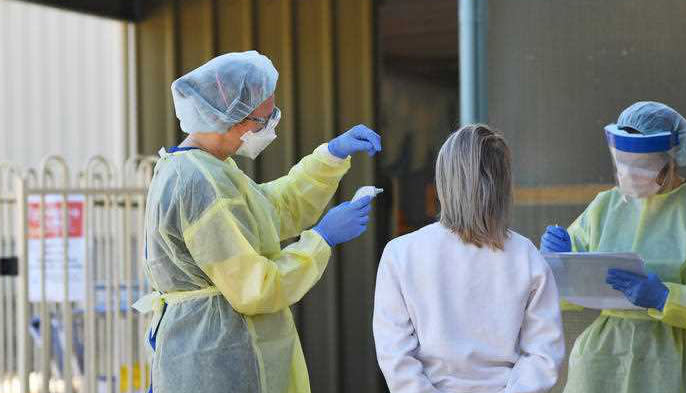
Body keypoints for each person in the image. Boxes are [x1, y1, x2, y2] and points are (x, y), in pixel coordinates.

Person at [134, 51, 382, 393]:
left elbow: (270, 210)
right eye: (262, 120)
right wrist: (321, 239)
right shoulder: (198, 181)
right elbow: (255, 287)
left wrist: (331, 156)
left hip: (218, 352)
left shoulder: (209, 168)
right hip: (217, 363)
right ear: (227, 118)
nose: (270, 128)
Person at [540, 101, 686, 393]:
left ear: (671, 158)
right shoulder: (606, 206)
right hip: (603, 366)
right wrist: (557, 262)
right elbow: (555, 294)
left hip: (681, 371)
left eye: (642, 165)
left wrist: (668, 298)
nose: (630, 173)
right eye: (623, 162)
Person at [373, 124, 565, 393]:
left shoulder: (400, 254)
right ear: (504, 184)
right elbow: (543, 355)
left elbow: (395, 355)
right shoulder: (526, 255)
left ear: (443, 180)